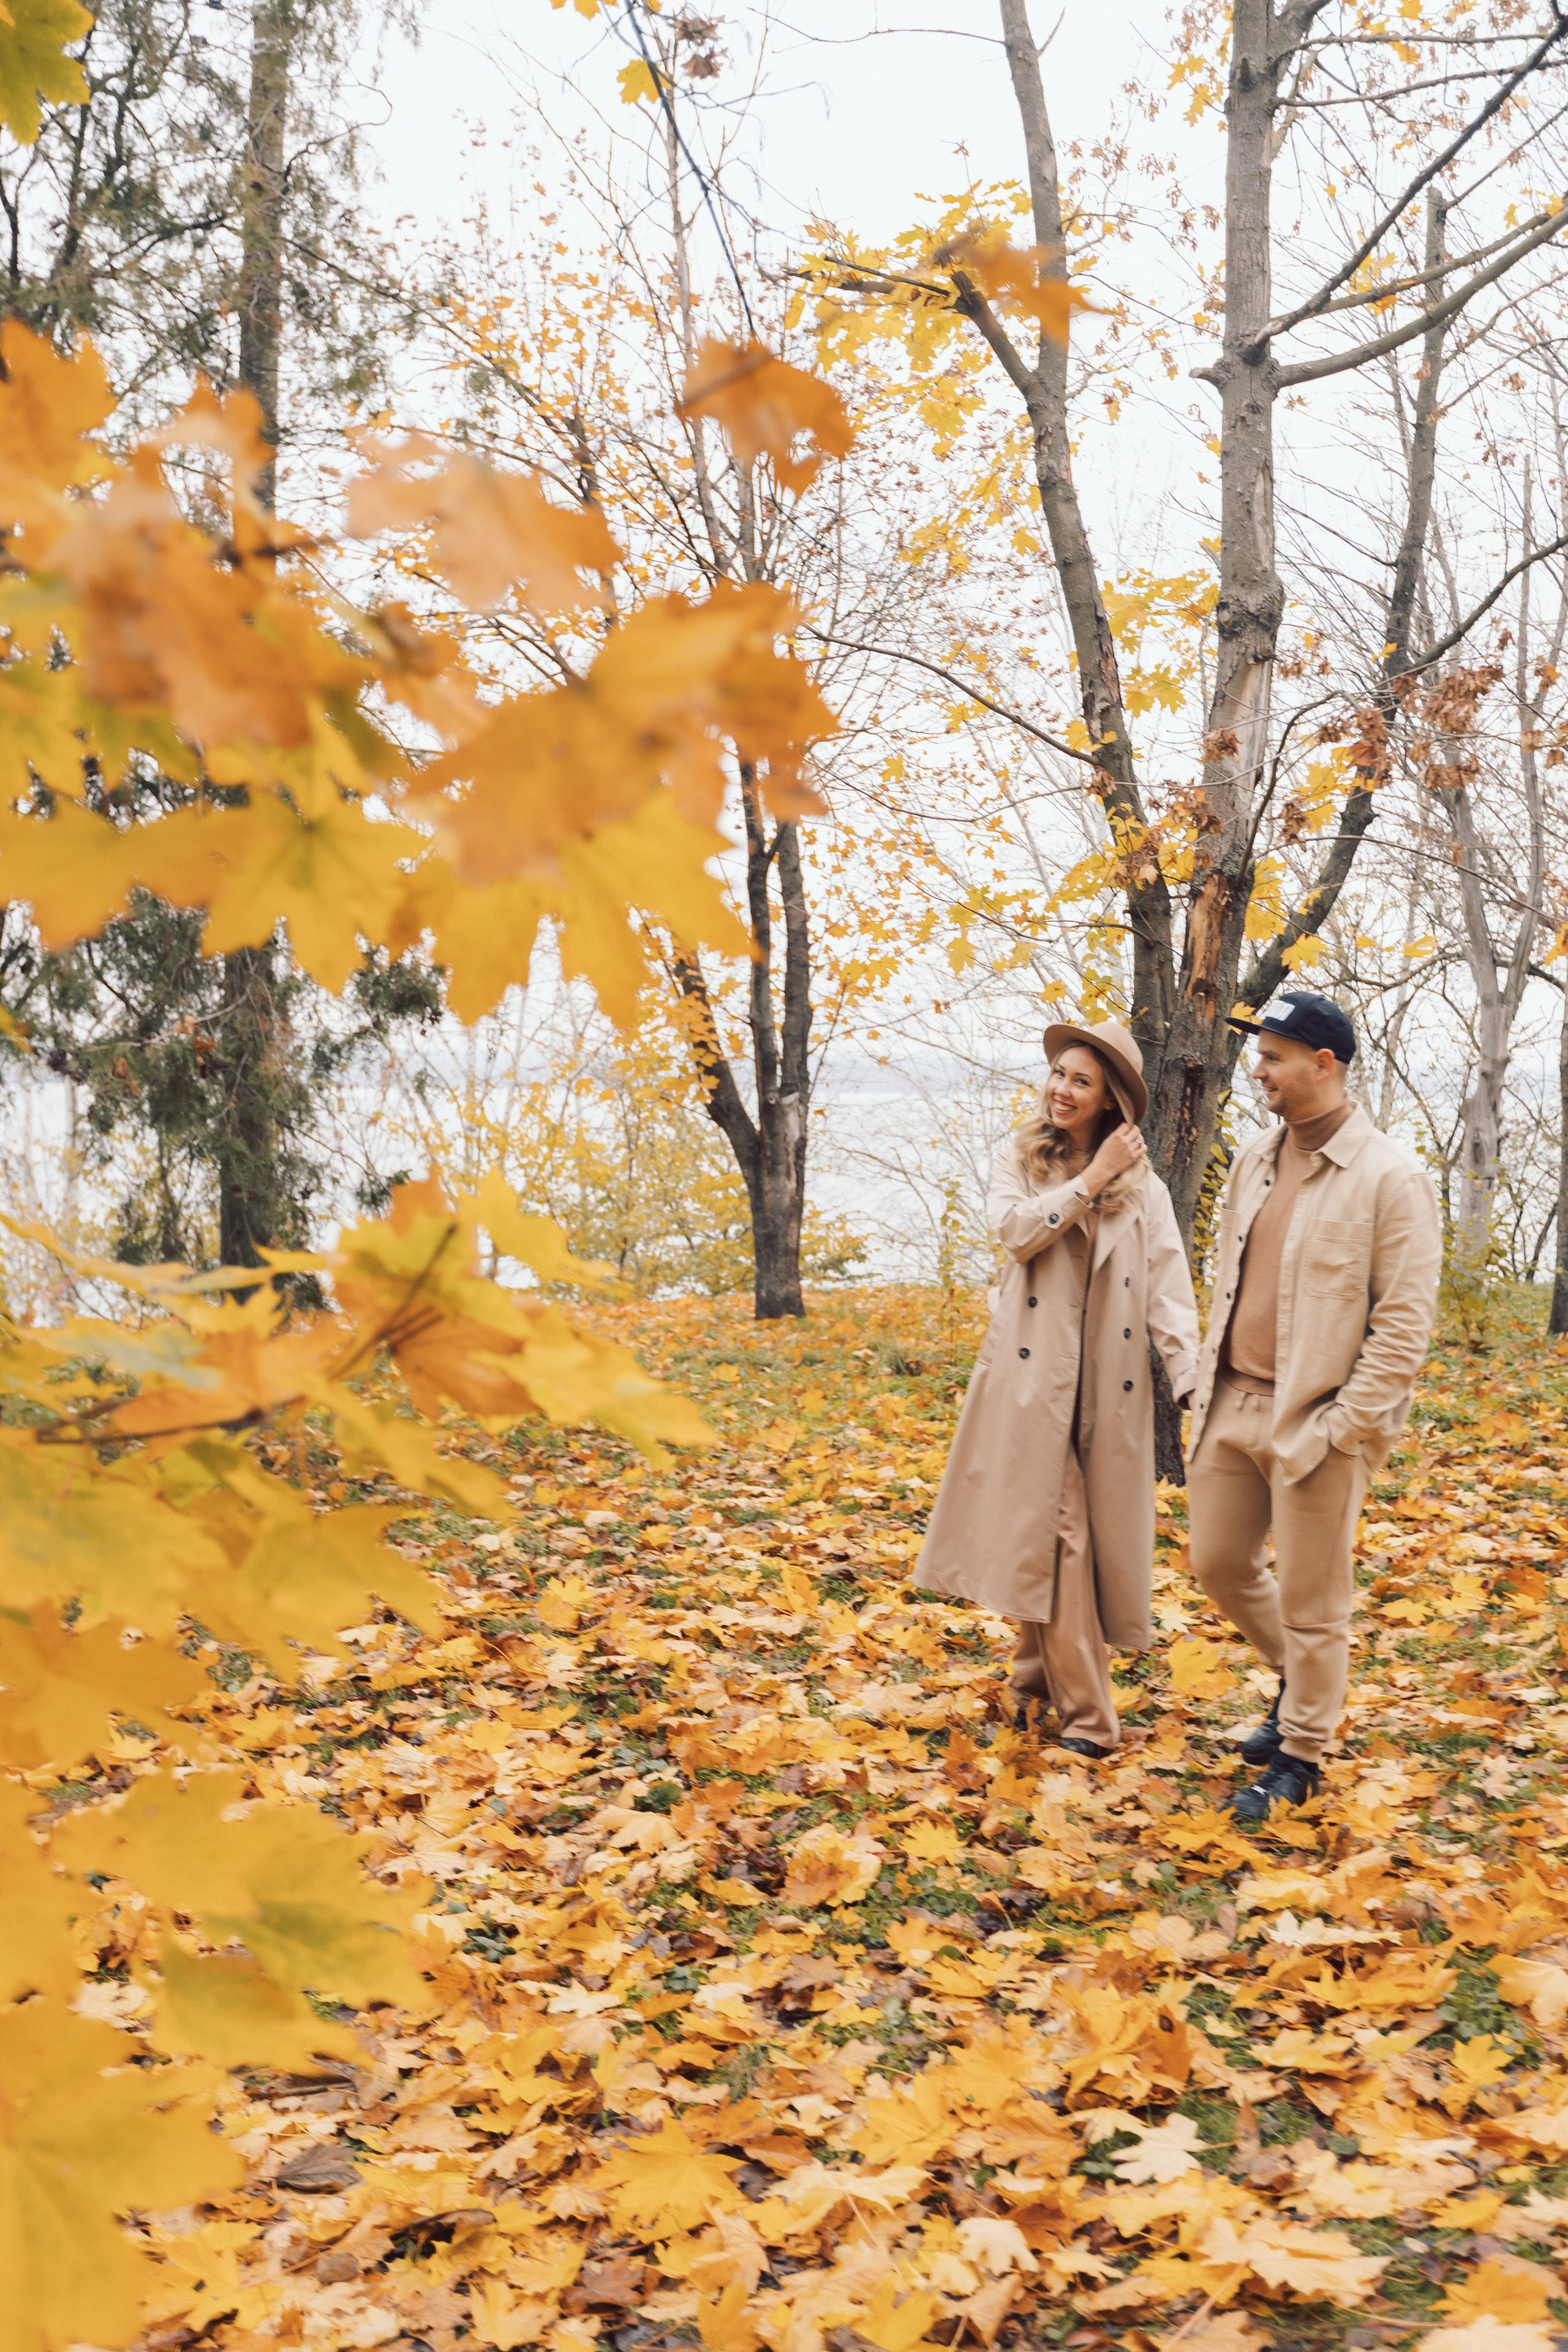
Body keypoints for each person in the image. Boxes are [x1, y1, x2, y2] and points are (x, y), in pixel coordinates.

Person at [1185, 991, 1441, 1823]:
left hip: (1320, 1422)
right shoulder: (1257, 1157)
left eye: (1272, 1058)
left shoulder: (1390, 1179)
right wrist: (1203, 1379)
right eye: (1258, 1056)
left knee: (1313, 1597)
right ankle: (1301, 1680)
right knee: (1218, 1565)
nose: (1257, 1071)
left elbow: (1403, 1327)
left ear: (1322, 1065)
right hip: (1232, 1404)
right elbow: (1229, 1279)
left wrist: (1345, 1427)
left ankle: (1302, 1754)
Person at [918, 1018, 1200, 1757]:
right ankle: (1089, 1722)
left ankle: (1033, 1681)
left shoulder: (1148, 1193)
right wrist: (1092, 1177)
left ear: (1110, 1101)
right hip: (1027, 1384)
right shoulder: (1021, 1161)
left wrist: (1191, 1380)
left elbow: (1169, 1290)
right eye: (1057, 1075)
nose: (1060, 1090)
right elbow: (1015, 1233)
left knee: (1063, 1541)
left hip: (1108, 1391)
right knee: (1062, 1538)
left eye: (1080, 1080)